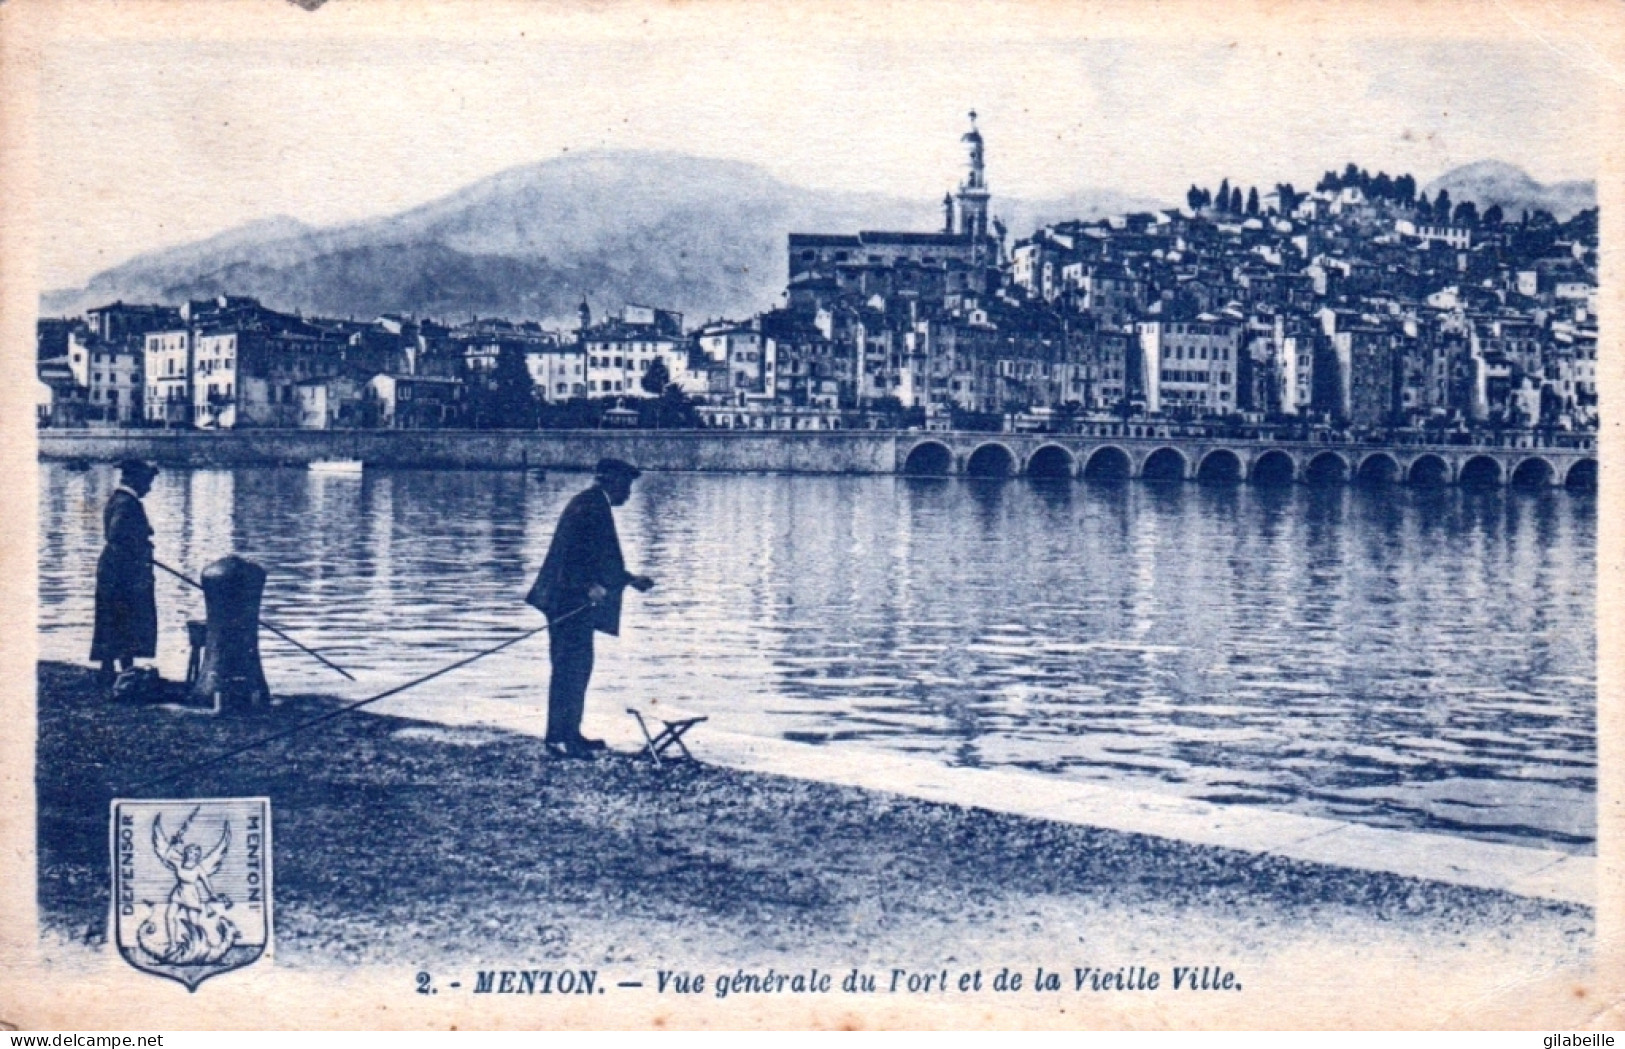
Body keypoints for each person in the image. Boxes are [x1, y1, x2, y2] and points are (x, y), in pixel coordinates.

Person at [527, 458, 655, 756]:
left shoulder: (594, 504)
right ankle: (559, 738)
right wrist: (587, 586)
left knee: (579, 666)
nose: (628, 493)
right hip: (566, 601)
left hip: (573, 599)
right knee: (568, 667)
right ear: (611, 480)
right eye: (626, 485)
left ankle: (571, 733)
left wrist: (630, 579)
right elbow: (570, 556)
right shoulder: (588, 507)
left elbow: (598, 558)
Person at [91, 459, 159, 685]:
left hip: (114, 568)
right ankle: (122, 669)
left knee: (115, 616)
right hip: (122, 571)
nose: (148, 488)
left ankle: (111, 668)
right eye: (147, 482)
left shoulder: (119, 499)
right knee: (124, 615)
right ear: (135, 480)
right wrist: (138, 549)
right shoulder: (127, 503)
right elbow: (116, 534)